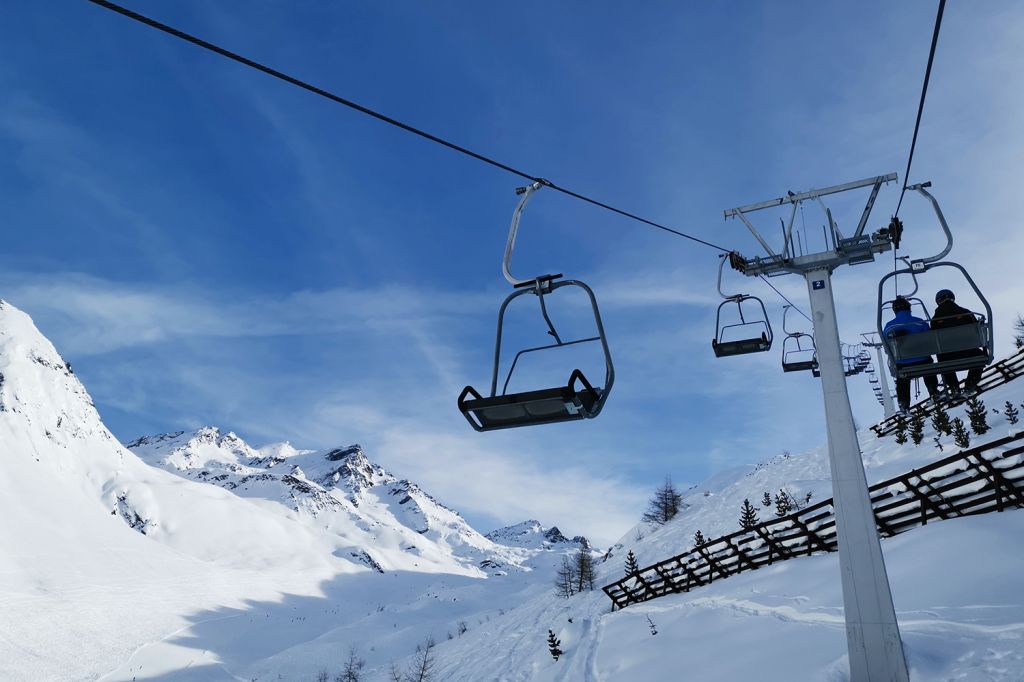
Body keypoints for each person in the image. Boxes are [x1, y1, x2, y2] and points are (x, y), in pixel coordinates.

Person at [883, 296, 940, 412]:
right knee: (928, 364)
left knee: (901, 377)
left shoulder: (889, 326)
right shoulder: (919, 322)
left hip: (903, 364)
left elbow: (887, 348)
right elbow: (930, 340)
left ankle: (904, 404)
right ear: (909, 308)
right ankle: (933, 391)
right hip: (923, 360)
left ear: (895, 310)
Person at [931, 289, 987, 396]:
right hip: (969, 352)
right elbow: (977, 332)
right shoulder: (966, 312)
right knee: (980, 356)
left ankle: (954, 387)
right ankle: (970, 385)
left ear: (938, 301)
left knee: (942, 360)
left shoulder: (935, 320)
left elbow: (934, 339)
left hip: (948, 356)